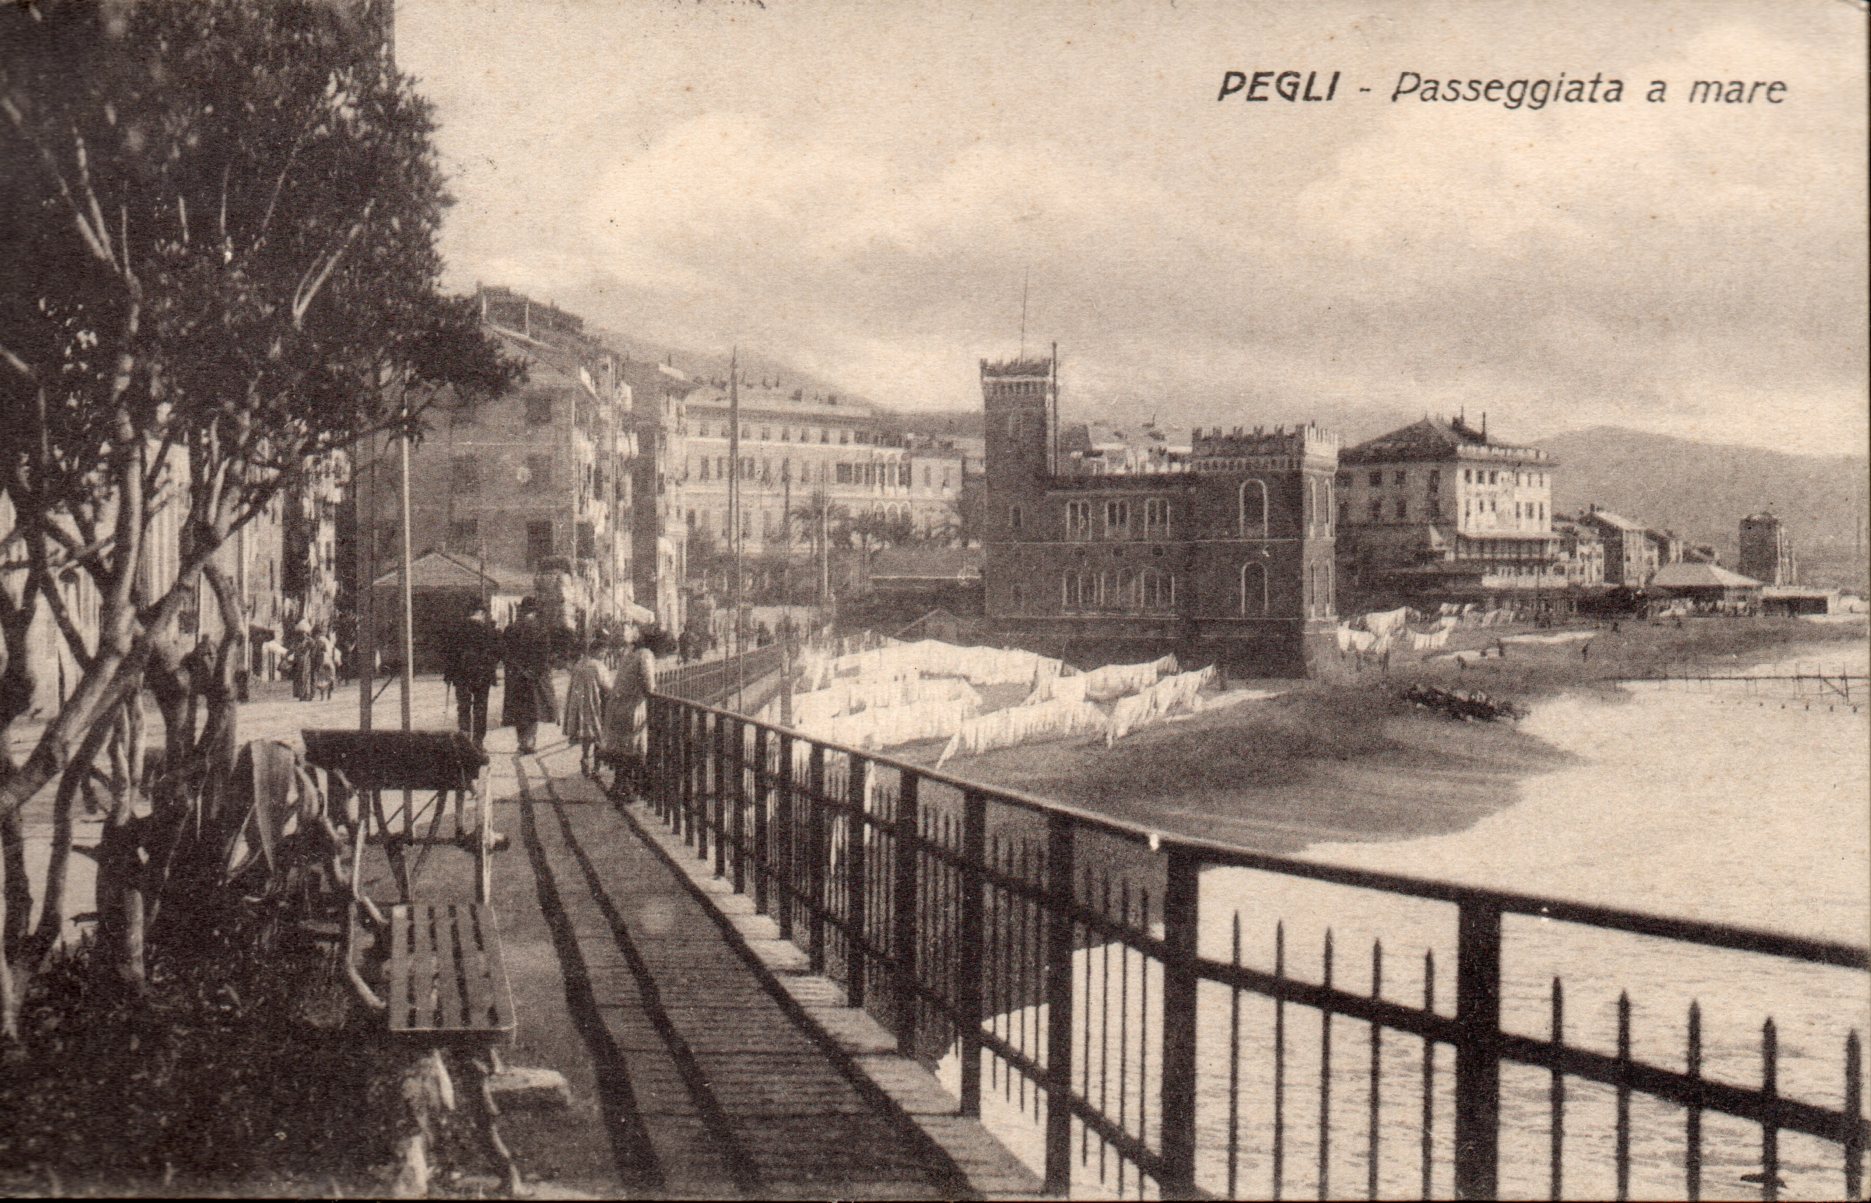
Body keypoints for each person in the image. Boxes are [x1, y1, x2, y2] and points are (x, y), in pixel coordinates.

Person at [600, 632, 657, 800]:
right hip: (631, 707)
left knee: (621, 748)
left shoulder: (630, 654)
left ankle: (619, 786)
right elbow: (649, 686)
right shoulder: (646, 655)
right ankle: (627, 789)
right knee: (633, 749)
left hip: (618, 705)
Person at [501, 599, 558, 754]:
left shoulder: (510, 629)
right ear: (534, 612)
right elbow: (544, 655)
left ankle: (522, 741)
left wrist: (516, 669)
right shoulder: (540, 629)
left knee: (520, 710)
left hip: (516, 676)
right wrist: (534, 672)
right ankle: (529, 741)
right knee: (533, 709)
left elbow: (505, 653)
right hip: (533, 677)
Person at [444, 607, 502, 750]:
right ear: (481, 613)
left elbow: (449, 654)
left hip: (462, 675)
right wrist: (490, 667)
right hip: (482, 676)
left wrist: (448, 675)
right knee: (480, 708)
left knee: (463, 707)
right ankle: (478, 742)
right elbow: (498, 652)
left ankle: (465, 740)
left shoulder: (457, 629)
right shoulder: (489, 630)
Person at [561, 637, 612, 779]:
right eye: (604, 651)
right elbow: (607, 686)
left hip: (581, 705)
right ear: (598, 650)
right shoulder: (598, 666)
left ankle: (584, 757)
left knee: (586, 734)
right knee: (598, 734)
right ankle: (596, 766)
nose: (604, 654)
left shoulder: (579, 663)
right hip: (596, 704)